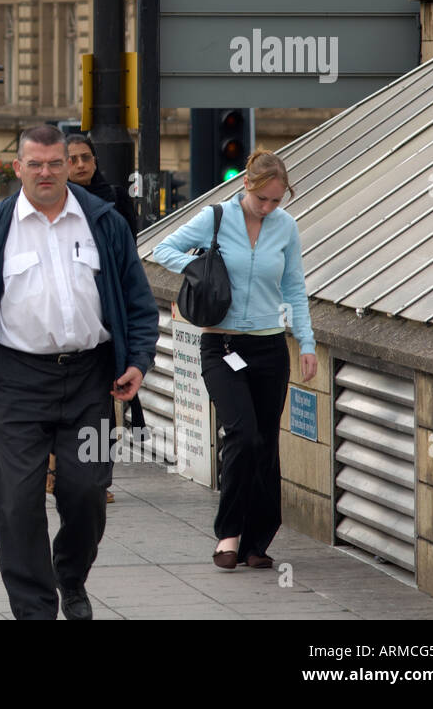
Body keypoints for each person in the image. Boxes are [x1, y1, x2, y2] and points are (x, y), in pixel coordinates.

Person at [0, 124, 158, 620]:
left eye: (55, 163)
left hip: (90, 380)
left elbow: (139, 305)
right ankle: (34, 608)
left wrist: (138, 362)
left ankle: (71, 574)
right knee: (17, 503)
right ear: (18, 168)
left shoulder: (104, 222)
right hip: (16, 381)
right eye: (34, 164)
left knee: (86, 493)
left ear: (70, 165)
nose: (45, 173)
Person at [152, 149, 315, 572]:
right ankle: (229, 534)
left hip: (269, 348)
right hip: (221, 346)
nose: (269, 208)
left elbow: (294, 289)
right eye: (263, 199)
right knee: (241, 434)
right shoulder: (217, 218)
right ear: (247, 185)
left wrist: (308, 344)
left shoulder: (286, 228)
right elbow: (163, 249)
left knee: (264, 443)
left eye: (277, 201)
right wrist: (203, 262)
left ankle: (258, 541)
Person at [63, 133, 144, 502]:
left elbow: (130, 254)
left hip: (106, 318)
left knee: (101, 411)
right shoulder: (55, 204)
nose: (80, 165)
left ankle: (100, 480)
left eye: (86, 158)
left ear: (95, 161)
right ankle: (57, 471)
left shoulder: (114, 200)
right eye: (73, 159)